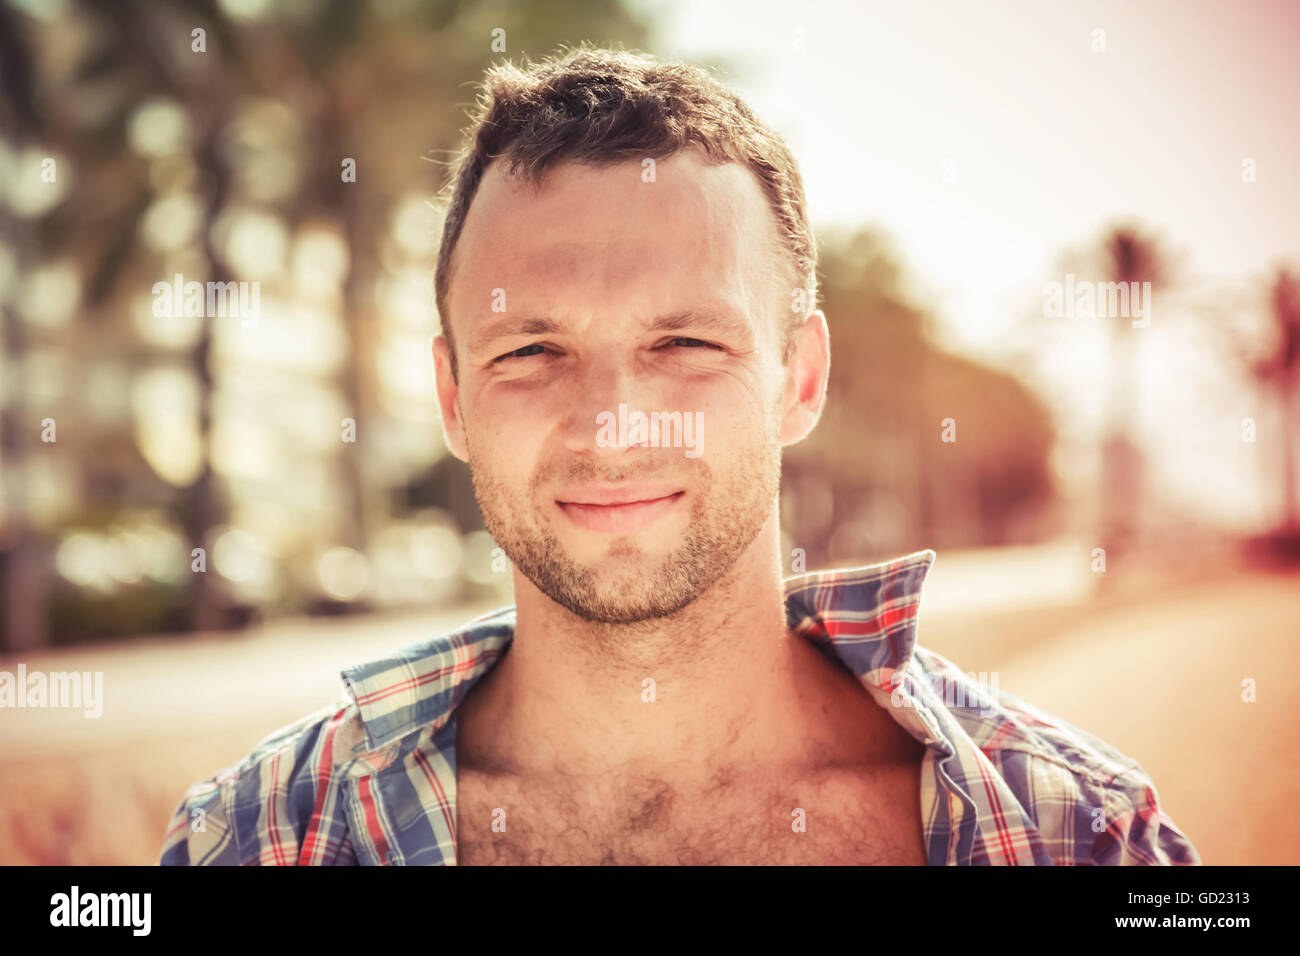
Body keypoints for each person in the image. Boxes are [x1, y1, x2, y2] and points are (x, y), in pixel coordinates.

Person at [160, 45, 1200, 866]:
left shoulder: (1083, 835)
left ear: (799, 378)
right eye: (531, 350)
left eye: (685, 343)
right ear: (453, 397)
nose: (612, 423)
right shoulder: (261, 839)